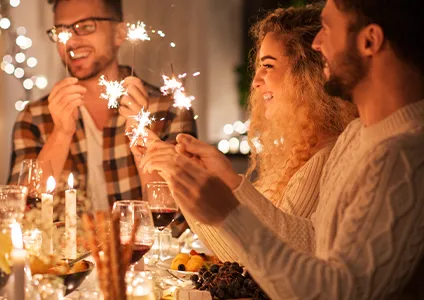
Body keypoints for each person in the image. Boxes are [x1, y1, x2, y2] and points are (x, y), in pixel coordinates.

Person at [142, 0, 424, 298]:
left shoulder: (403, 154)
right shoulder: (356, 135)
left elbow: (337, 291)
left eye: (327, 28)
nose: (317, 43)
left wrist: (229, 213)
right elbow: (312, 243)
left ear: (369, 40)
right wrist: (222, 188)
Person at [144, 5, 357, 262]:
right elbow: (238, 255)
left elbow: (272, 260)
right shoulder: (291, 156)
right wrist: (180, 178)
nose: (256, 80)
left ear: (307, 76)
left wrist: (228, 181)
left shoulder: (324, 159)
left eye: (268, 65)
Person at [9, 0, 197, 206]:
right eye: (61, 30)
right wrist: (61, 134)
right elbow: (18, 214)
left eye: (87, 26)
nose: (71, 41)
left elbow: (177, 220)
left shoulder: (168, 110)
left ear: (119, 33)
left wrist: (141, 134)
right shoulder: (34, 117)